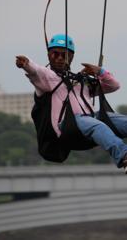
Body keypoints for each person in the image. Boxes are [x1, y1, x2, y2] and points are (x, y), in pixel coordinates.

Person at [16, 33, 127, 173]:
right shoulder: (47, 80)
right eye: (55, 54)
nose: (60, 58)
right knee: (97, 124)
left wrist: (100, 71)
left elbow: (114, 86)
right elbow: (36, 71)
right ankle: (123, 156)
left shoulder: (81, 82)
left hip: (91, 121)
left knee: (120, 121)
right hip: (68, 127)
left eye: (65, 55)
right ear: (49, 56)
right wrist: (26, 64)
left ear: (71, 57)